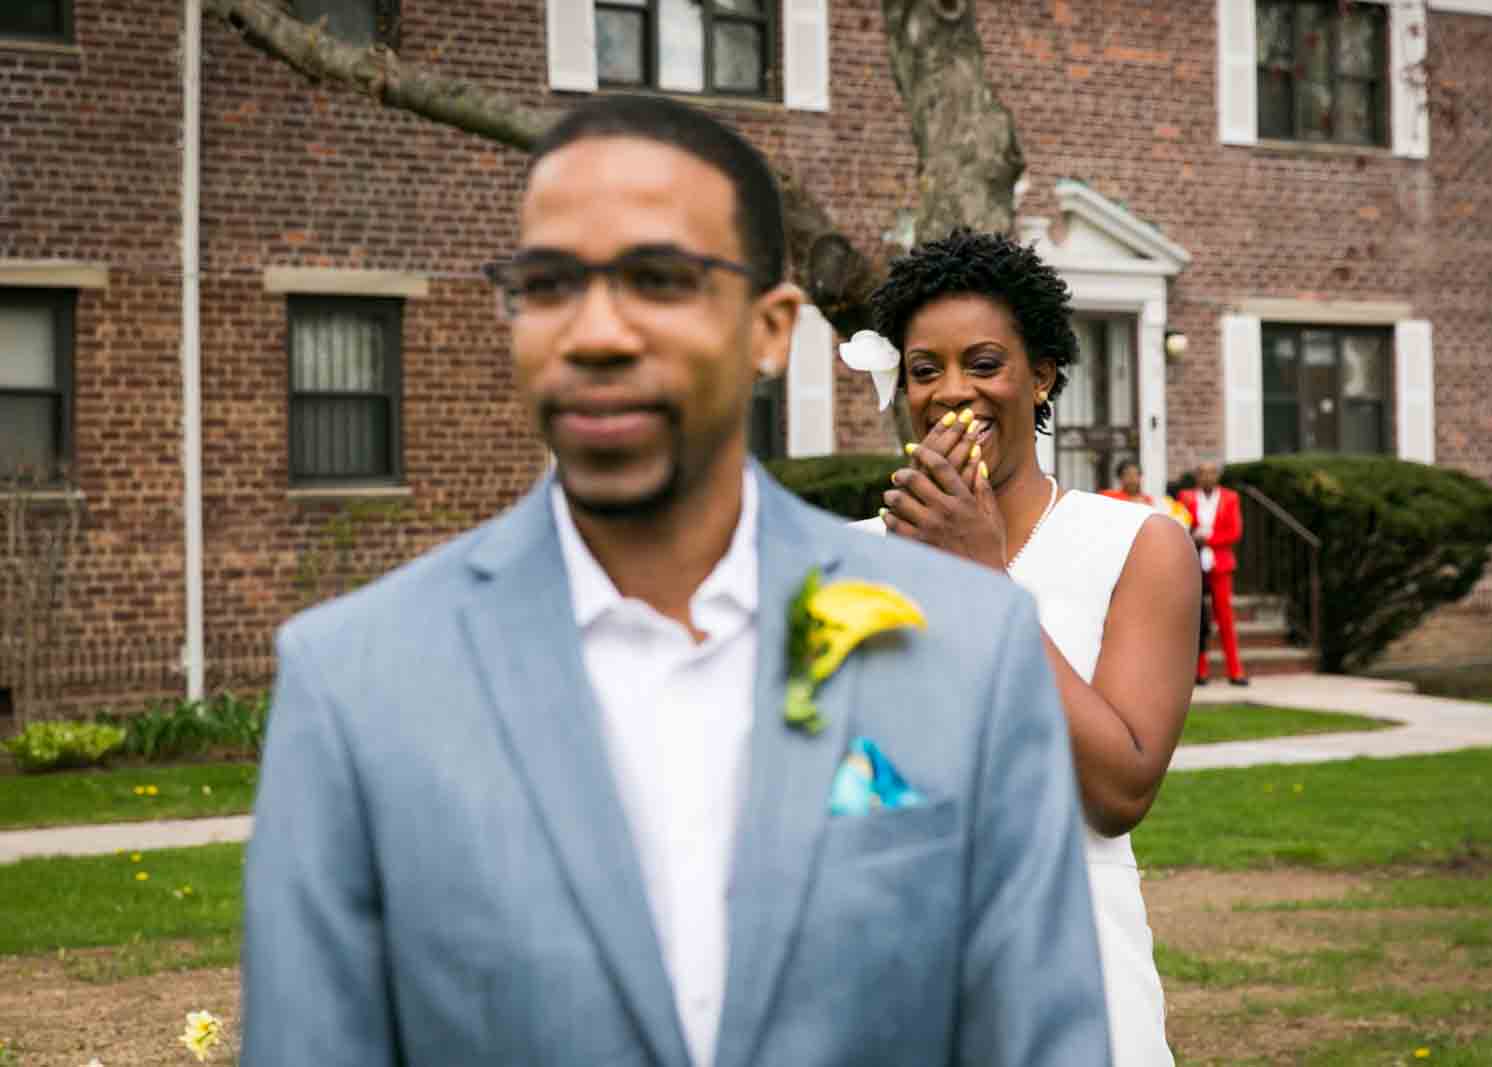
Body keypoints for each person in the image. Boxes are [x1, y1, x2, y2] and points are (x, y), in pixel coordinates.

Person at [241, 96, 1111, 1067]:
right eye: (549, 283)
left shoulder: (968, 643)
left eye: (659, 280)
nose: (598, 332)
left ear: (771, 330)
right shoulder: (353, 681)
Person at [850, 229, 1200, 1067]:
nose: (950, 392)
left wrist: (981, 581)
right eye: (924, 369)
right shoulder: (852, 558)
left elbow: (1118, 788)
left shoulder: (1141, 544)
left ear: (1041, 374)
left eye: (983, 362)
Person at [1179, 461, 1248, 687]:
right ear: (1197, 477)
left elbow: (1234, 532)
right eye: (1203, 473)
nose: (1207, 477)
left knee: (1225, 617)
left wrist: (1208, 539)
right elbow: (1180, 526)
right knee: (1198, 619)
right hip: (1193, 563)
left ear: (1217, 476)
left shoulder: (1230, 498)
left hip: (1220, 563)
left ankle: (1235, 670)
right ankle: (1200, 671)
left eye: (1211, 473)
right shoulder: (1186, 497)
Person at [1101, 458, 1193, 530]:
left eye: (1136, 475)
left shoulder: (1152, 501)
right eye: (1128, 475)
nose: (1132, 479)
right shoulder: (1110, 498)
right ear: (1120, 478)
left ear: (1141, 477)